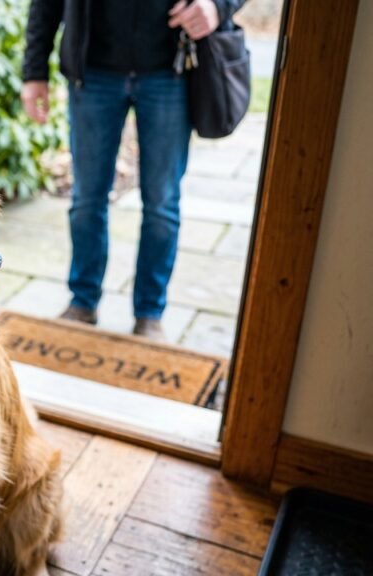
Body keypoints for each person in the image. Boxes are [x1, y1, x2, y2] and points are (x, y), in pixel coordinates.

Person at [22, 0, 245, 340]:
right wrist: (34, 71)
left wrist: (217, 6)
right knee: (86, 201)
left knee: (161, 204)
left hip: (170, 70)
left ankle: (150, 313)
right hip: (93, 72)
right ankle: (82, 302)